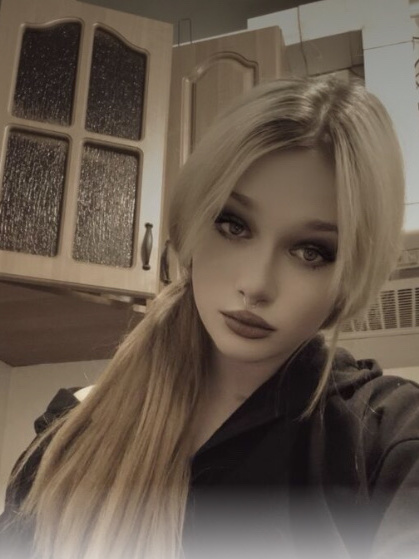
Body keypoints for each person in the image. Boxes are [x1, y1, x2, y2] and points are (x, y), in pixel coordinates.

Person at [1, 75, 418, 559]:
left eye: (312, 251)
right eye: (232, 224)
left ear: (351, 273)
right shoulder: (71, 428)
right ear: (194, 221)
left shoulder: (382, 434)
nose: (256, 285)